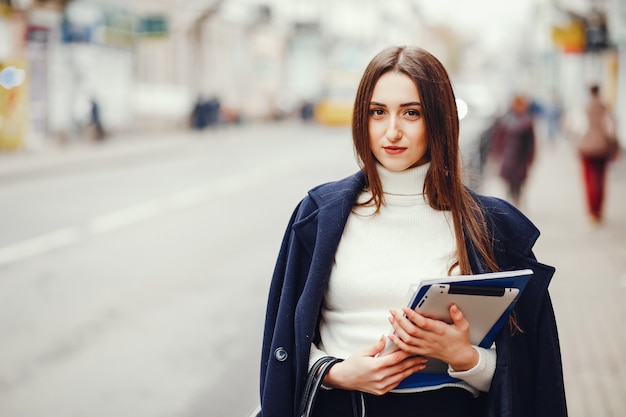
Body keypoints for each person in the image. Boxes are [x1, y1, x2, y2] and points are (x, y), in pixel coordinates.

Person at [259, 46, 567, 417]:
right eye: (378, 112)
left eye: (411, 113)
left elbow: (531, 371)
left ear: (438, 120)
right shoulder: (318, 216)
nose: (393, 131)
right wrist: (336, 373)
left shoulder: (492, 226)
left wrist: (466, 358)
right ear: (362, 119)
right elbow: (283, 345)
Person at [576, 84, 619, 224]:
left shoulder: (584, 108)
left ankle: (592, 212)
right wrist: (614, 146)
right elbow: (611, 129)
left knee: (589, 180)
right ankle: (599, 211)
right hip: (602, 148)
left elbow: (576, 127)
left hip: (586, 148)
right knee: (600, 180)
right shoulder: (605, 108)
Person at [489, 95, 536, 206]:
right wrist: (497, 151)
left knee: (517, 182)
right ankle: (512, 200)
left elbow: (530, 143)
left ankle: (515, 200)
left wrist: (530, 157)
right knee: (511, 181)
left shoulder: (525, 122)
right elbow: (497, 137)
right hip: (509, 156)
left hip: (519, 157)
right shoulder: (507, 120)